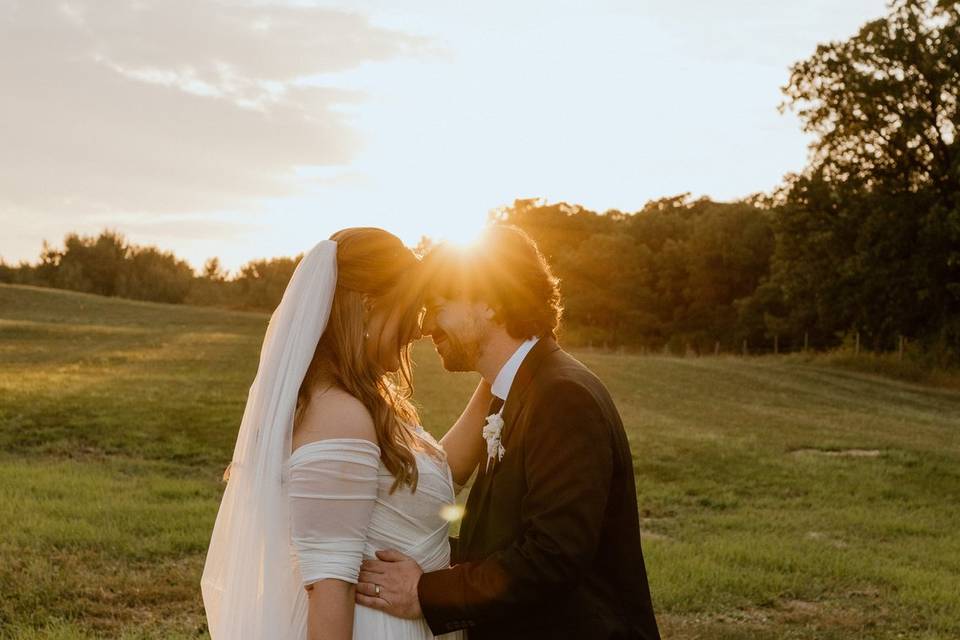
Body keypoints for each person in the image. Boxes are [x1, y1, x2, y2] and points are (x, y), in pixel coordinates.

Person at [354, 225, 661, 639]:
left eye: (437, 305)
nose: (427, 328)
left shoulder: (562, 396)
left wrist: (425, 592)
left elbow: (554, 556)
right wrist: (418, 554)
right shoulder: (518, 390)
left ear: (491, 305)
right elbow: (504, 538)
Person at [201, 227, 492, 639]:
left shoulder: (354, 403)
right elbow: (329, 589)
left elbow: (434, 478)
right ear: (369, 306)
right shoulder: (339, 415)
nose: (417, 330)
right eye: (410, 310)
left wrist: (498, 372)